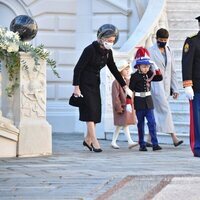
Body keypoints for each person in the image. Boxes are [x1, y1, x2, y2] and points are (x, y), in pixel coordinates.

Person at [72, 24, 132, 153]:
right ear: (101, 38)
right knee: (89, 113)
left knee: (96, 113)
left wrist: (124, 85)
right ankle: (95, 141)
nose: (111, 43)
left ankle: (87, 140)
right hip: (84, 84)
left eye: (112, 41)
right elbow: (78, 69)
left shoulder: (108, 52)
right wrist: (76, 88)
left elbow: (114, 70)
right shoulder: (90, 50)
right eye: (109, 40)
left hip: (95, 84)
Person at [147, 28, 183, 147]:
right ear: (156, 39)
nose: (163, 41)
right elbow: (146, 68)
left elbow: (172, 71)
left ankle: (148, 139)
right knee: (165, 110)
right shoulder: (150, 51)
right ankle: (174, 138)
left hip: (167, 87)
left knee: (157, 112)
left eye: (165, 40)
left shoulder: (169, 50)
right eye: (161, 39)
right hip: (156, 86)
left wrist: (175, 88)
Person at [129, 47, 162, 151]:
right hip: (139, 102)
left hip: (148, 102)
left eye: (148, 66)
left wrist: (155, 67)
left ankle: (155, 143)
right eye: (144, 66)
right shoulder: (134, 76)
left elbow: (159, 78)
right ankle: (142, 144)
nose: (146, 68)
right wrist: (128, 103)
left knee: (152, 123)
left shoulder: (149, 74)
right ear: (138, 66)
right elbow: (130, 90)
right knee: (141, 124)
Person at [182, 16, 200, 157]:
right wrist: (188, 84)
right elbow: (187, 64)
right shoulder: (192, 41)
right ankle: (198, 147)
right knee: (197, 119)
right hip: (197, 87)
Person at [111, 60, 138, 149]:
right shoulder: (116, 82)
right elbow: (115, 96)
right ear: (120, 70)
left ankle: (113, 141)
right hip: (121, 107)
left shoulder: (128, 81)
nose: (127, 71)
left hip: (127, 106)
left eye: (128, 69)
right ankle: (129, 141)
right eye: (125, 69)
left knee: (121, 125)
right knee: (123, 124)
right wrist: (118, 107)